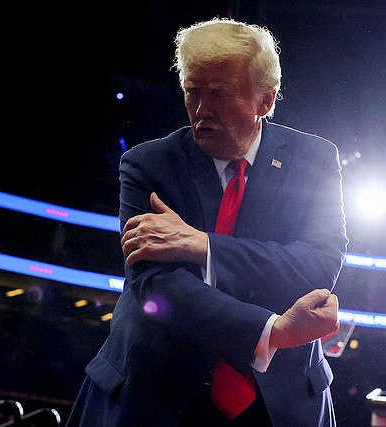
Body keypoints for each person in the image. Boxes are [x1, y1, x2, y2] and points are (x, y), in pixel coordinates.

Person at [67, 17, 348, 427]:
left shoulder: (316, 160)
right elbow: (159, 287)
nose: (202, 111)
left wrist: (202, 245)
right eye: (192, 93)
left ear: (265, 102)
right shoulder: (148, 165)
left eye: (219, 95)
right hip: (155, 396)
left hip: (279, 404)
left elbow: (317, 266)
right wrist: (272, 330)